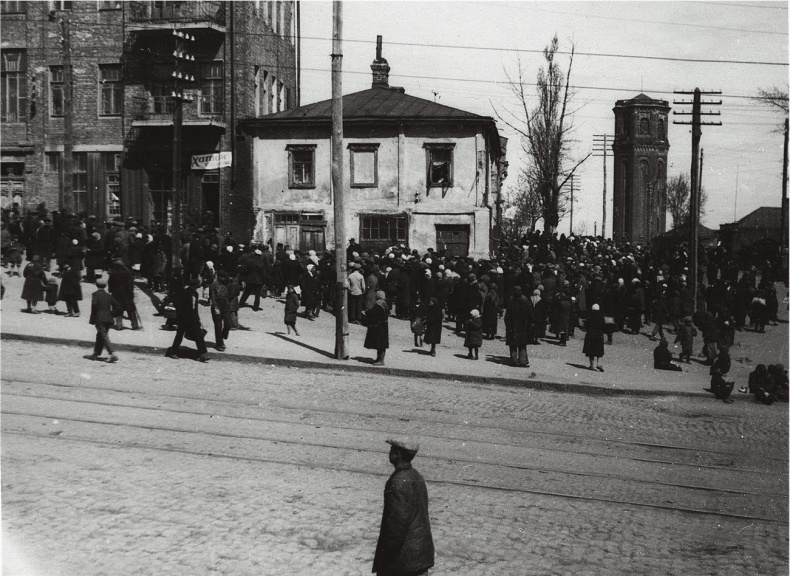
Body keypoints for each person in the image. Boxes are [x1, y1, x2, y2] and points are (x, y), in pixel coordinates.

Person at [372, 437, 434, 576]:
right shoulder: (416, 476)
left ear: (398, 454)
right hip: (420, 556)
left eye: (392, 450)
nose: (389, 453)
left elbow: (396, 527)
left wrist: (384, 560)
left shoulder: (397, 482)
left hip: (403, 562)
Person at [165, 276, 209, 362]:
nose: (197, 288)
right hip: (184, 319)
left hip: (193, 318)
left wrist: (198, 319)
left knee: (199, 335)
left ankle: (203, 354)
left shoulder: (195, 294)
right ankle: (173, 352)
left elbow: (195, 308)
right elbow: (178, 306)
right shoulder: (184, 293)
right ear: (192, 286)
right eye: (196, 286)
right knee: (179, 335)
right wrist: (181, 318)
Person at [86, 278, 120, 363]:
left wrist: (92, 318)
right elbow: (118, 307)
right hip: (108, 319)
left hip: (99, 318)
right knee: (100, 335)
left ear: (96, 285)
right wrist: (111, 314)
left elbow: (94, 306)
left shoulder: (95, 294)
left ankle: (112, 353)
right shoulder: (109, 295)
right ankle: (95, 354)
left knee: (103, 335)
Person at [505, 286, 532, 367]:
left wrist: (508, 325)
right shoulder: (525, 300)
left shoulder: (511, 300)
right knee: (522, 344)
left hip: (513, 325)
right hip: (523, 325)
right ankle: (522, 360)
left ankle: (514, 360)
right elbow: (530, 313)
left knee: (513, 344)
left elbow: (507, 315)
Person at [363, 290, 389, 365]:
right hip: (383, 326)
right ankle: (379, 359)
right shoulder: (385, 303)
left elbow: (373, 312)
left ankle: (381, 360)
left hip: (379, 326)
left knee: (380, 344)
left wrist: (367, 312)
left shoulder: (379, 304)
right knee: (381, 344)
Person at [583, 303, 605, 372]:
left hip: (591, 333)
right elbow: (603, 326)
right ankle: (598, 363)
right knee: (599, 350)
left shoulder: (589, 317)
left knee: (590, 350)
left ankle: (592, 365)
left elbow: (586, 326)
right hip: (599, 333)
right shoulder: (602, 317)